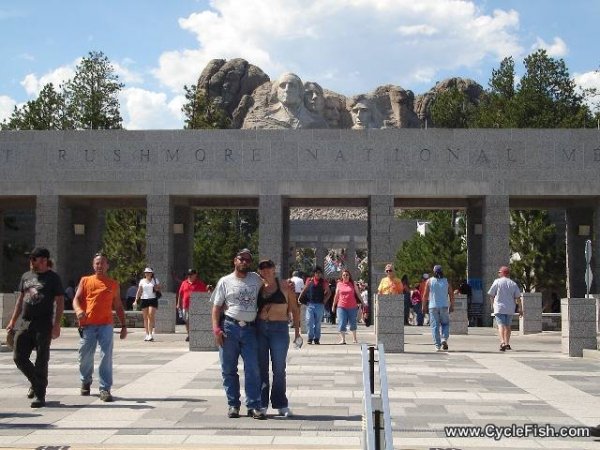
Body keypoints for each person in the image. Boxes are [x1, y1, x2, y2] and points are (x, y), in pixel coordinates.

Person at [211, 249, 266, 420]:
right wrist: (216, 330)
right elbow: (216, 307)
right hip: (229, 328)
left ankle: (254, 405)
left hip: (250, 329)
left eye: (248, 260)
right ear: (235, 260)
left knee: (253, 369)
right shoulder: (225, 281)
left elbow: (270, 285)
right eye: (241, 259)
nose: (244, 262)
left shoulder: (256, 279)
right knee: (228, 369)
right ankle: (233, 404)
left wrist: (288, 285)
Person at [6, 247, 64, 408]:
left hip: (43, 323)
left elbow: (60, 302)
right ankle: (35, 382)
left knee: (41, 359)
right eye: (30, 259)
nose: (31, 262)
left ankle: (40, 395)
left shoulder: (53, 278)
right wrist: (12, 321)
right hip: (25, 322)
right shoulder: (26, 276)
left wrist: (57, 324)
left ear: (44, 260)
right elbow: (20, 300)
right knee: (19, 357)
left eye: (34, 259)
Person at [73, 252, 127, 402]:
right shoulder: (85, 281)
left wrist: (123, 326)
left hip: (106, 325)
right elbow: (76, 299)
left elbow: (118, 306)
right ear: (93, 265)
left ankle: (105, 388)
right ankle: (85, 380)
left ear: (107, 266)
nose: (100, 266)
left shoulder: (113, 284)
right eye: (97, 263)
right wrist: (78, 311)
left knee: (106, 356)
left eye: (103, 263)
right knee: (85, 355)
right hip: (88, 324)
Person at [256, 259, 300, 417]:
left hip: (279, 329)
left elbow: (295, 309)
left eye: (269, 267)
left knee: (279, 369)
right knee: (261, 368)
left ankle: (281, 403)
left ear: (274, 268)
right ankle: (261, 404)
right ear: (259, 271)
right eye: (263, 268)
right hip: (261, 329)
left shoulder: (285, 286)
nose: (266, 270)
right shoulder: (257, 287)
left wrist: (297, 334)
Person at [488, 266, 523, 352]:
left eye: (499, 272)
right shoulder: (513, 283)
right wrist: (520, 308)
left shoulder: (497, 282)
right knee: (508, 326)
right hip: (510, 308)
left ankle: (502, 342)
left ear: (502, 273)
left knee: (500, 325)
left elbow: (491, 294)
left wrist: (492, 304)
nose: (498, 274)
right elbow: (518, 297)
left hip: (499, 307)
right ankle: (507, 343)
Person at [422, 265, 454, 351]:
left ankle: (437, 344)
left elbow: (425, 295)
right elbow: (451, 294)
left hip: (433, 307)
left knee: (435, 326)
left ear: (434, 271)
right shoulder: (446, 281)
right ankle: (444, 339)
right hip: (444, 306)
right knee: (445, 324)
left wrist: (423, 306)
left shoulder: (429, 281)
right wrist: (452, 305)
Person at [297, 266, 331, 344]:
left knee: (317, 323)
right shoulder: (309, 280)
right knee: (309, 321)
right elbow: (305, 290)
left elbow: (329, 292)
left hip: (319, 305)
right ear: (314, 273)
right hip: (310, 304)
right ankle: (310, 337)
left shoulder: (323, 282)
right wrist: (299, 298)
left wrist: (324, 301)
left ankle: (316, 338)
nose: (318, 274)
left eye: (319, 273)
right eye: (316, 273)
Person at [331, 269, 362, 344]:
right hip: (341, 306)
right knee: (342, 322)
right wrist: (333, 305)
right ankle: (343, 339)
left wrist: (363, 302)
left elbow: (358, 294)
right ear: (342, 276)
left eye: (347, 275)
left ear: (349, 276)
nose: (345, 276)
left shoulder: (353, 284)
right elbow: (336, 296)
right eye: (344, 275)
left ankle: (354, 338)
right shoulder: (339, 284)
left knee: (353, 322)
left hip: (352, 306)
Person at [177, 269, 208, 342]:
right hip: (186, 305)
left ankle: (194, 334)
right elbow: (180, 294)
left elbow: (205, 293)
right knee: (187, 320)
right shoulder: (184, 283)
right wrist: (178, 303)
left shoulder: (200, 283)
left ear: (195, 275)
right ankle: (189, 334)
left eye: (191, 274)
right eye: (188, 274)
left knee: (195, 320)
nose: (189, 276)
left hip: (196, 306)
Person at [134, 267, 161, 342]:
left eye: (149, 272)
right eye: (146, 272)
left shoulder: (155, 280)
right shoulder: (142, 281)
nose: (147, 274)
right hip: (144, 299)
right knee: (145, 318)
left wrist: (157, 288)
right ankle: (147, 334)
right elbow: (139, 291)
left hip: (153, 299)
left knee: (150, 315)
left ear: (152, 273)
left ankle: (150, 334)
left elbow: (159, 288)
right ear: (144, 273)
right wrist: (136, 300)